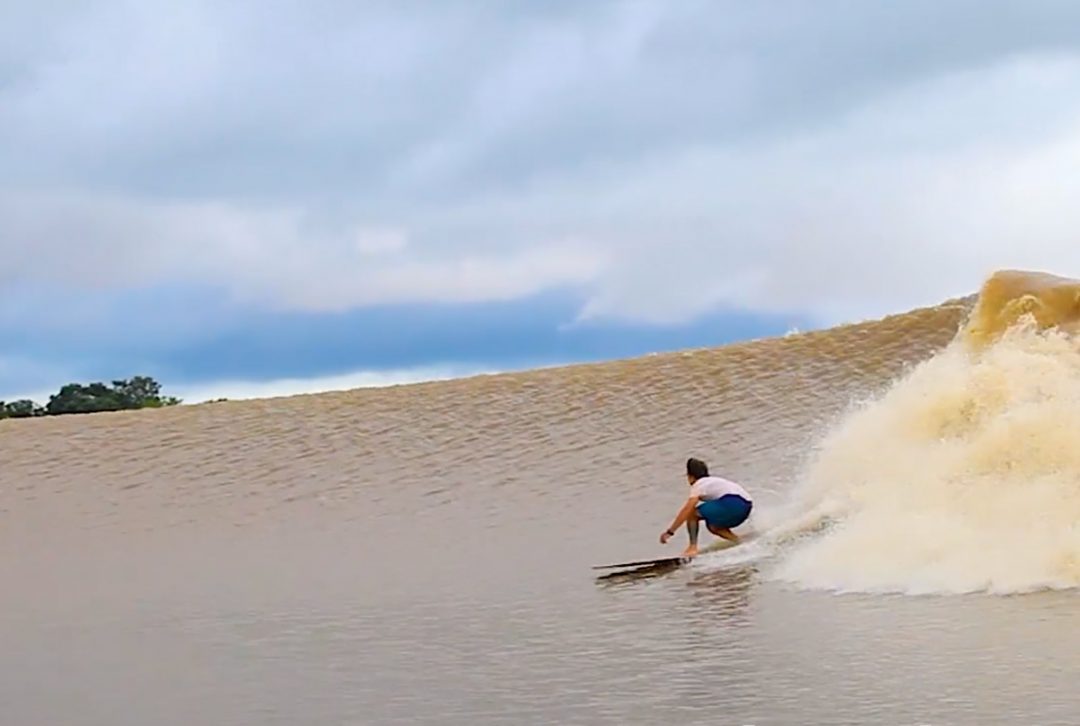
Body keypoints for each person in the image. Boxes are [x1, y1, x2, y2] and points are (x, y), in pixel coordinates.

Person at [659, 457, 753, 557]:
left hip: (732, 503)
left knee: (692, 514)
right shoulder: (713, 481)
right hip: (746, 507)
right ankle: (738, 542)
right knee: (713, 526)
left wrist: (670, 531)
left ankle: (692, 548)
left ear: (691, 477)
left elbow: (687, 510)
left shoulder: (698, 485)